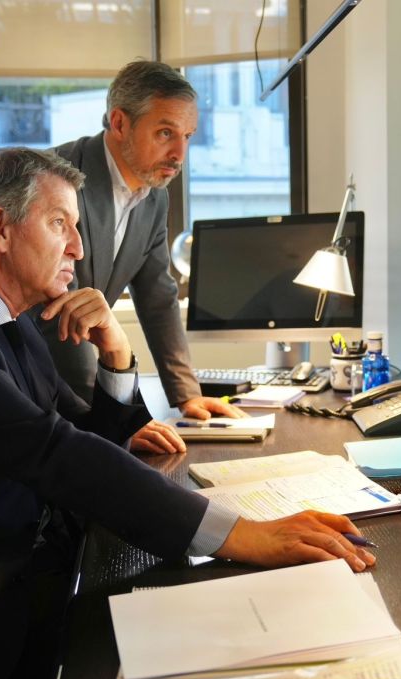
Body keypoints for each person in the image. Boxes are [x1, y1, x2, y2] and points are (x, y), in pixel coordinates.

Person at [0, 147, 376, 679]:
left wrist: (117, 353)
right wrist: (242, 536)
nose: (78, 248)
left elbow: (78, 435)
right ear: (0, 228)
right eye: (61, 224)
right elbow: (54, 452)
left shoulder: (1, 316)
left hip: (4, 565)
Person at [48, 60, 241, 455]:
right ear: (120, 123)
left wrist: (187, 394)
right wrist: (112, 422)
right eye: (165, 133)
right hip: (32, 388)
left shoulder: (155, 197)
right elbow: (60, 313)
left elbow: (157, 296)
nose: (179, 153)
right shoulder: (56, 180)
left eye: (187, 136)